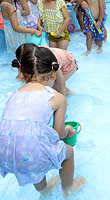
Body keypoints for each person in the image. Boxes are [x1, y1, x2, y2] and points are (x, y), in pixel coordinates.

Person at [0, 43, 85, 199]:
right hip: (32, 154)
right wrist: (68, 131)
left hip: (5, 154)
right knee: (68, 153)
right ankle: (68, 189)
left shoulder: (12, 95)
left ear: (20, 72)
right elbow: (59, 134)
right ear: (53, 74)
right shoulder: (57, 97)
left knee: (29, 156)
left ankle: (44, 191)